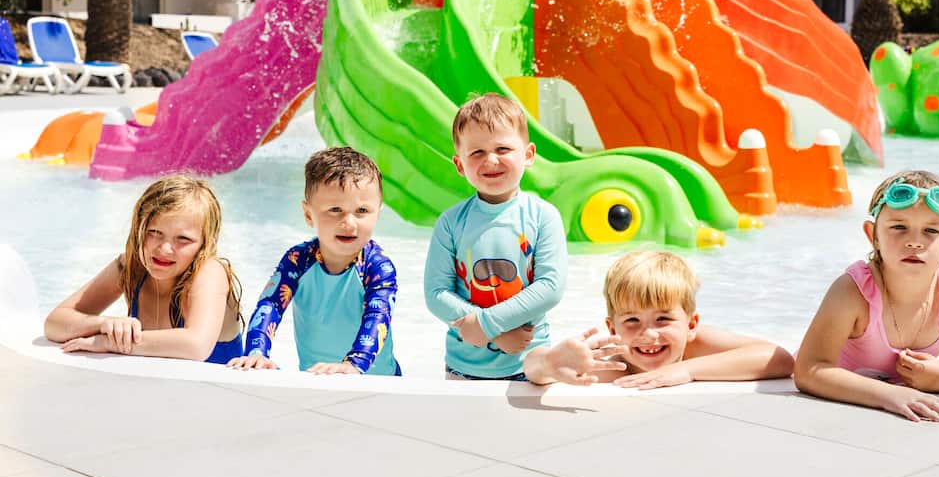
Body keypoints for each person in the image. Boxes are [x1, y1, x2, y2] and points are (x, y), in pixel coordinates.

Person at [794, 170, 939, 422]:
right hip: (834, 414)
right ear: (872, 235)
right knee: (781, 363)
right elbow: (809, 370)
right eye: (899, 227)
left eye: (931, 230)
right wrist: (888, 394)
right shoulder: (853, 292)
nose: (914, 242)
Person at [424, 93, 567, 381]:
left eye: (503, 148)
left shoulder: (543, 216)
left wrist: (487, 325)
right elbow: (436, 294)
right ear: (460, 165)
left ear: (528, 155)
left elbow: (550, 286)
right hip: (464, 367)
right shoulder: (451, 223)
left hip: (529, 365)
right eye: (477, 152)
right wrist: (494, 333)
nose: (491, 160)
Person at [227, 147, 400, 375]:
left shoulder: (377, 267)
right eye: (335, 210)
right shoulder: (298, 260)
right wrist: (257, 353)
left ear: (378, 213)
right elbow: (271, 305)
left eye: (362, 210)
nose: (349, 223)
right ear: (309, 215)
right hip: (314, 379)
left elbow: (377, 318)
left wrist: (353, 365)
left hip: (378, 382)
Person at [44, 175, 243, 363]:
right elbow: (54, 323)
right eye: (154, 232)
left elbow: (196, 346)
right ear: (138, 229)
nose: (164, 249)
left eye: (183, 239)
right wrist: (104, 325)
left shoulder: (210, 272)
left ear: (205, 244)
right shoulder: (132, 268)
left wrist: (111, 342)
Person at [524, 250, 794, 388]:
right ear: (612, 327)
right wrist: (549, 362)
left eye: (663, 319)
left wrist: (687, 370)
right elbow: (531, 370)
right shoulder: (613, 366)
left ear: (690, 325)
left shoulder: (698, 345)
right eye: (632, 321)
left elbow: (780, 359)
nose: (649, 334)